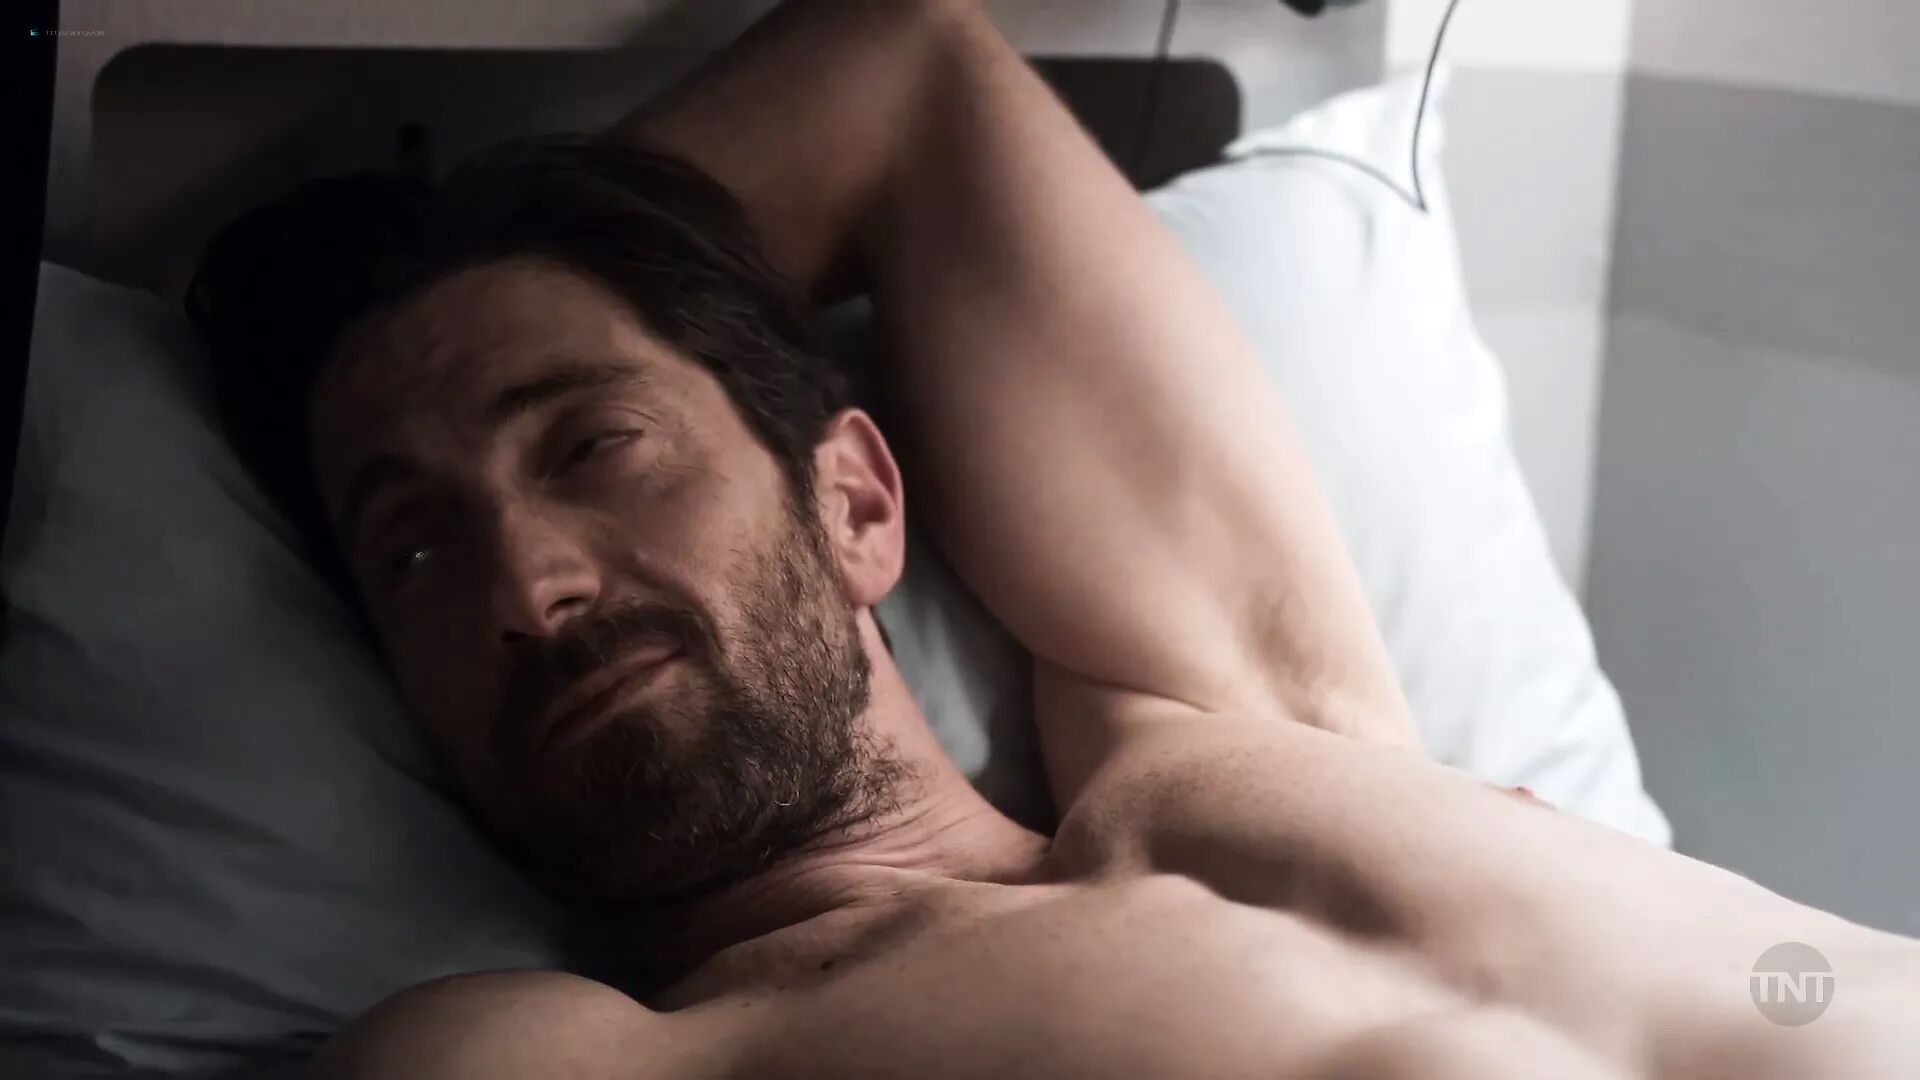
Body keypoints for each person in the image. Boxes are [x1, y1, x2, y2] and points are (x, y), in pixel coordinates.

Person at [186, 0, 1920, 1076]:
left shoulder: (1233, 734)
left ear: (857, 499)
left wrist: (496, 273)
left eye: (594, 445)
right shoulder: (558, 1057)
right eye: (414, 553)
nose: (529, 583)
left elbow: (903, 73)